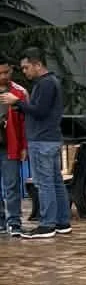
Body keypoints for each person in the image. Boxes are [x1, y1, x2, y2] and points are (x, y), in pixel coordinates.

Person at [18, 51, 68, 241]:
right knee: (55, 181)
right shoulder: (51, 82)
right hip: (50, 139)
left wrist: (19, 103)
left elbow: (40, 111)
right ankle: (62, 222)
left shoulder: (46, 83)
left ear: (37, 65)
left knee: (44, 183)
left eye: (26, 67)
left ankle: (47, 224)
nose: (24, 72)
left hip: (42, 140)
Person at [0, 61, 28, 239]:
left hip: (10, 145)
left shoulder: (19, 92)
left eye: (6, 72)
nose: (3, 76)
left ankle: (15, 223)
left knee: (12, 185)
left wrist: (24, 146)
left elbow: (26, 122)